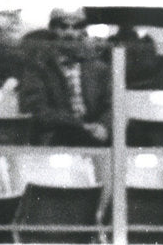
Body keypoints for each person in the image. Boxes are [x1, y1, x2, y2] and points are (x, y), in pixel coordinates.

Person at [18, 8, 111, 146]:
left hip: (96, 138)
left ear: (83, 31)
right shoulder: (39, 67)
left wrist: (104, 126)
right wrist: (79, 126)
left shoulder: (99, 68)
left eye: (76, 27)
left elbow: (113, 104)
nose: (70, 33)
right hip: (56, 137)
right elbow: (36, 108)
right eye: (63, 26)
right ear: (52, 29)